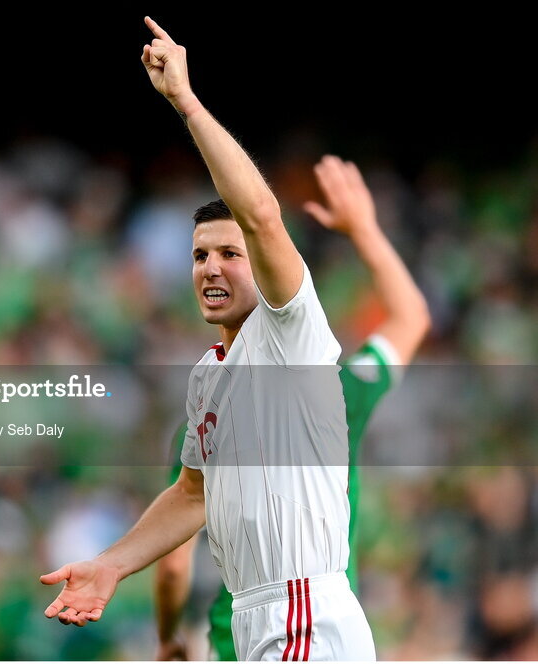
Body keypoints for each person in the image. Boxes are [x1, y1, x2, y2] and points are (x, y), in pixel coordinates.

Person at [41, 18, 375, 660]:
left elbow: (262, 215)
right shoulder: (209, 373)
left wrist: (186, 103)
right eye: (199, 256)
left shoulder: (290, 331)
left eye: (230, 253)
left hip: (304, 611)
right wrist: (113, 564)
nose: (211, 267)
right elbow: (192, 494)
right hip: (256, 616)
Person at [153, 156, 431, 660]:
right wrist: (364, 230)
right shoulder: (343, 391)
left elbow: (174, 563)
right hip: (321, 619)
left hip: (238, 629)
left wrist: (169, 635)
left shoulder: (203, 418)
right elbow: (410, 317)